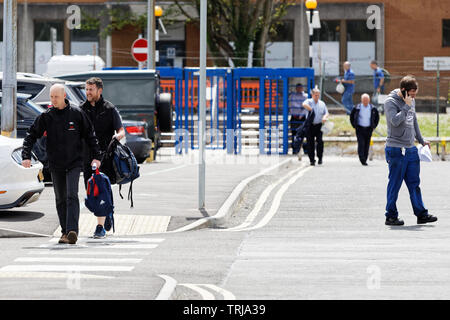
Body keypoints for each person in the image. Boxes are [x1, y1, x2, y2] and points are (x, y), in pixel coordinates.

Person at [22, 84, 101, 244]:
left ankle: (72, 230)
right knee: (60, 199)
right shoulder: (47, 116)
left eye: (56, 97)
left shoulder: (77, 114)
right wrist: (26, 156)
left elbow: (90, 136)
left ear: (64, 95)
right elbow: (31, 135)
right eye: (51, 97)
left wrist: (96, 156)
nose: (53, 100)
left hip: (74, 162)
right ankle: (65, 232)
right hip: (56, 163)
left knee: (71, 195)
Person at [383, 75, 437, 226]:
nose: (413, 97)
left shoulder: (411, 100)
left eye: (415, 94)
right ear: (403, 90)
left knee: (414, 183)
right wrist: (406, 106)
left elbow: (414, 120)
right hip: (396, 149)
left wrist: (421, 140)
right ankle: (391, 216)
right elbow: (394, 121)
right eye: (411, 94)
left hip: (411, 149)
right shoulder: (390, 102)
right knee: (395, 183)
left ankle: (421, 214)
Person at [80, 77, 125, 239]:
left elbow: (121, 130)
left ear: (100, 90)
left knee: (102, 191)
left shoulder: (109, 108)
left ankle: (100, 226)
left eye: (91, 89)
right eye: (86, 89)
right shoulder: (81, 109)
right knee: (92, 193)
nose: (88, 92)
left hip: (105, 157)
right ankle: (108, 212)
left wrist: (116, 138)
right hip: (87, 158)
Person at [350, 94, 380, 166]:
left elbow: (377, 118)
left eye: (366, 100)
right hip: (360, 128)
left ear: (369, 100)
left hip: (369, 129)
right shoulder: (357, 107)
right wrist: (354, 125)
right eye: (364, 100)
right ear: (361, 100)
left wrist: (374, 126)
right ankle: (362, 158)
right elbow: (351, 117)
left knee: (367, 144)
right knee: (361, 143)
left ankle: (365, 158)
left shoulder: (373, 108)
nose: (365, 102)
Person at [303, 88, 329, 166]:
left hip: (319, 125)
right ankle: (312, 160)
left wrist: (325, 117)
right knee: (310, 143)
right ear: (312, 95)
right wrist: (311, 109)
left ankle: (320, 157)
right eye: (315, 95)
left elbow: (326, 113)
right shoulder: (309, 101)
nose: (317, 96)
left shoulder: (322, 103)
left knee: (320, 142)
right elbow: (304, 104)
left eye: (318, 95)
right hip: (310, 125)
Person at [289, 83, 309, 156]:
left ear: (302, 88)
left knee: (305, 133)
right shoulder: (292, 96)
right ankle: (295, 150)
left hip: (303, 117)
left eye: (300, 87)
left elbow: (306, 106)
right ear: (296, 88)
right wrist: (301, 107)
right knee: (294, 134)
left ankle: (306, 150)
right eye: (298, 88)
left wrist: (301, 113)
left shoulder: (306, 96)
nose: (299, 89)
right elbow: (293, 105)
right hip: (294, 116)